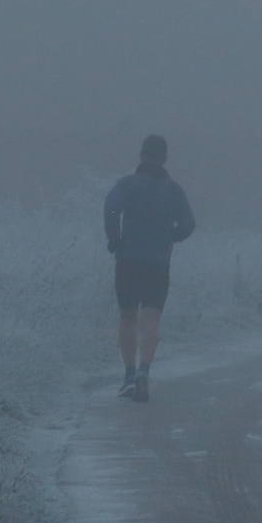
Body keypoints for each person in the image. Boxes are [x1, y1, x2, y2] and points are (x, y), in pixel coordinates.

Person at [104, 134, 195, 402]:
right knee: (152, 317)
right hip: (158, 263)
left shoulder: (127, 185)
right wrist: (170, 237)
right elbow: (188, 224)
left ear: (141, 155)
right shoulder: (174, 190)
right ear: (164, 158)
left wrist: (114, 238)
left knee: (128, 316)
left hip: (128, 260)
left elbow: (110, 208)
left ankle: (129, 375)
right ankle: (145, 369)